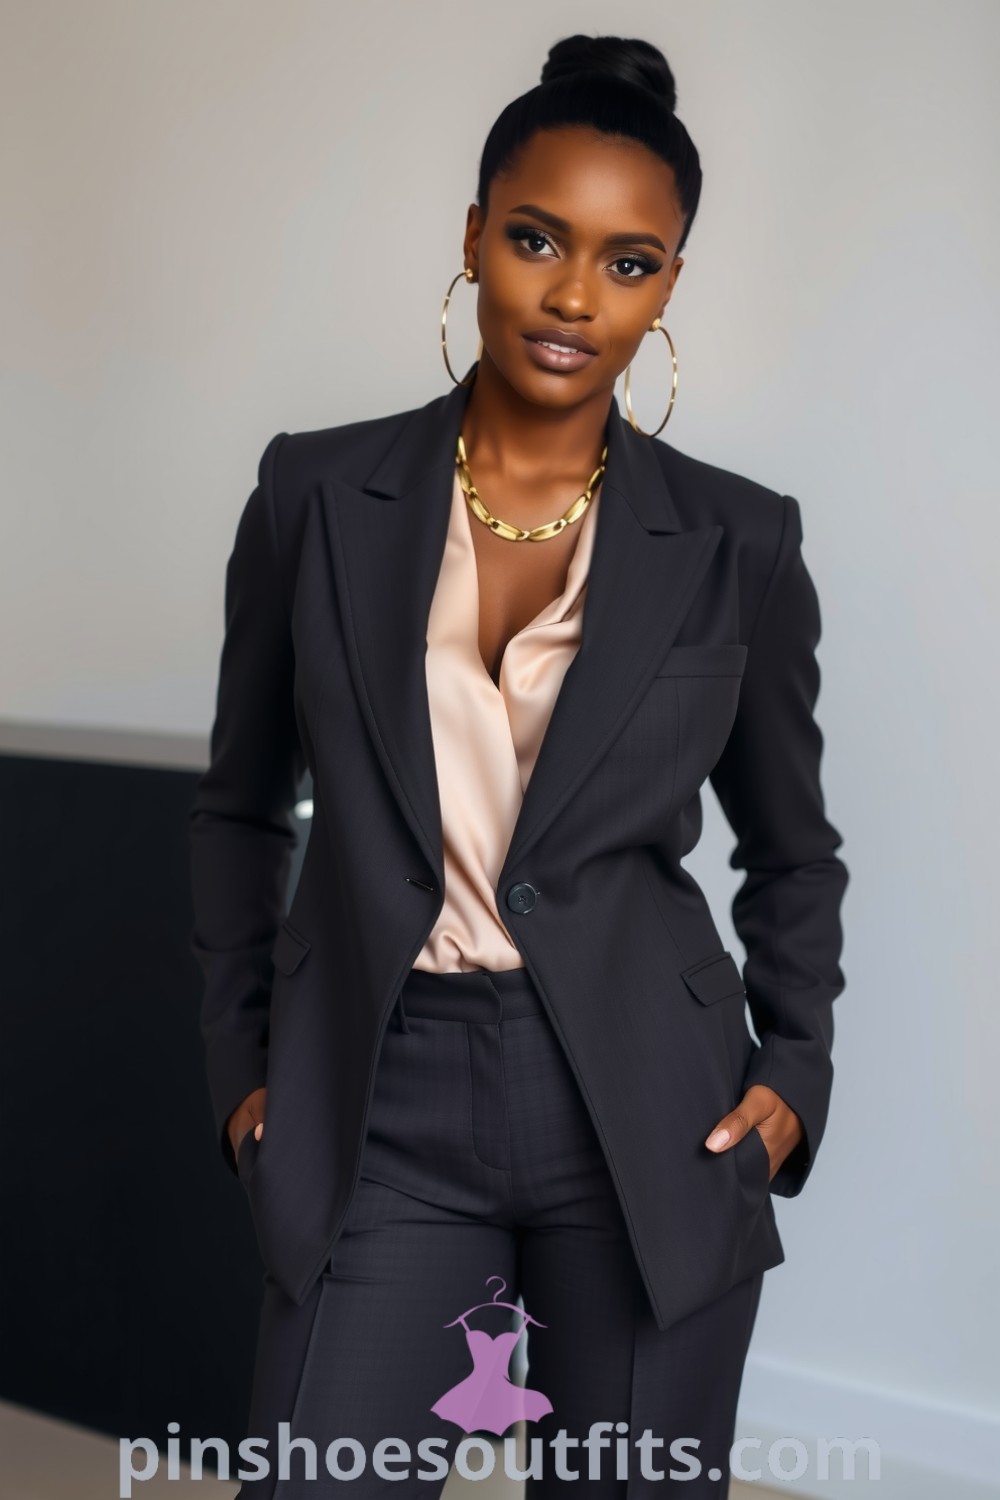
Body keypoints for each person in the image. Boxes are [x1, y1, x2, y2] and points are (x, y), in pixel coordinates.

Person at [188, 31, 849, 1499]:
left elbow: (793, 851)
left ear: (672, 284)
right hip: (378, 1090)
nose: (572, 296)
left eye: (632, 262)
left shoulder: (739, 541)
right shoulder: (316, 493)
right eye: (541, 238)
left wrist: (794, 1069)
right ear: (476, 234)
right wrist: (242, 1067)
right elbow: (240, 808)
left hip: (649, 1105)